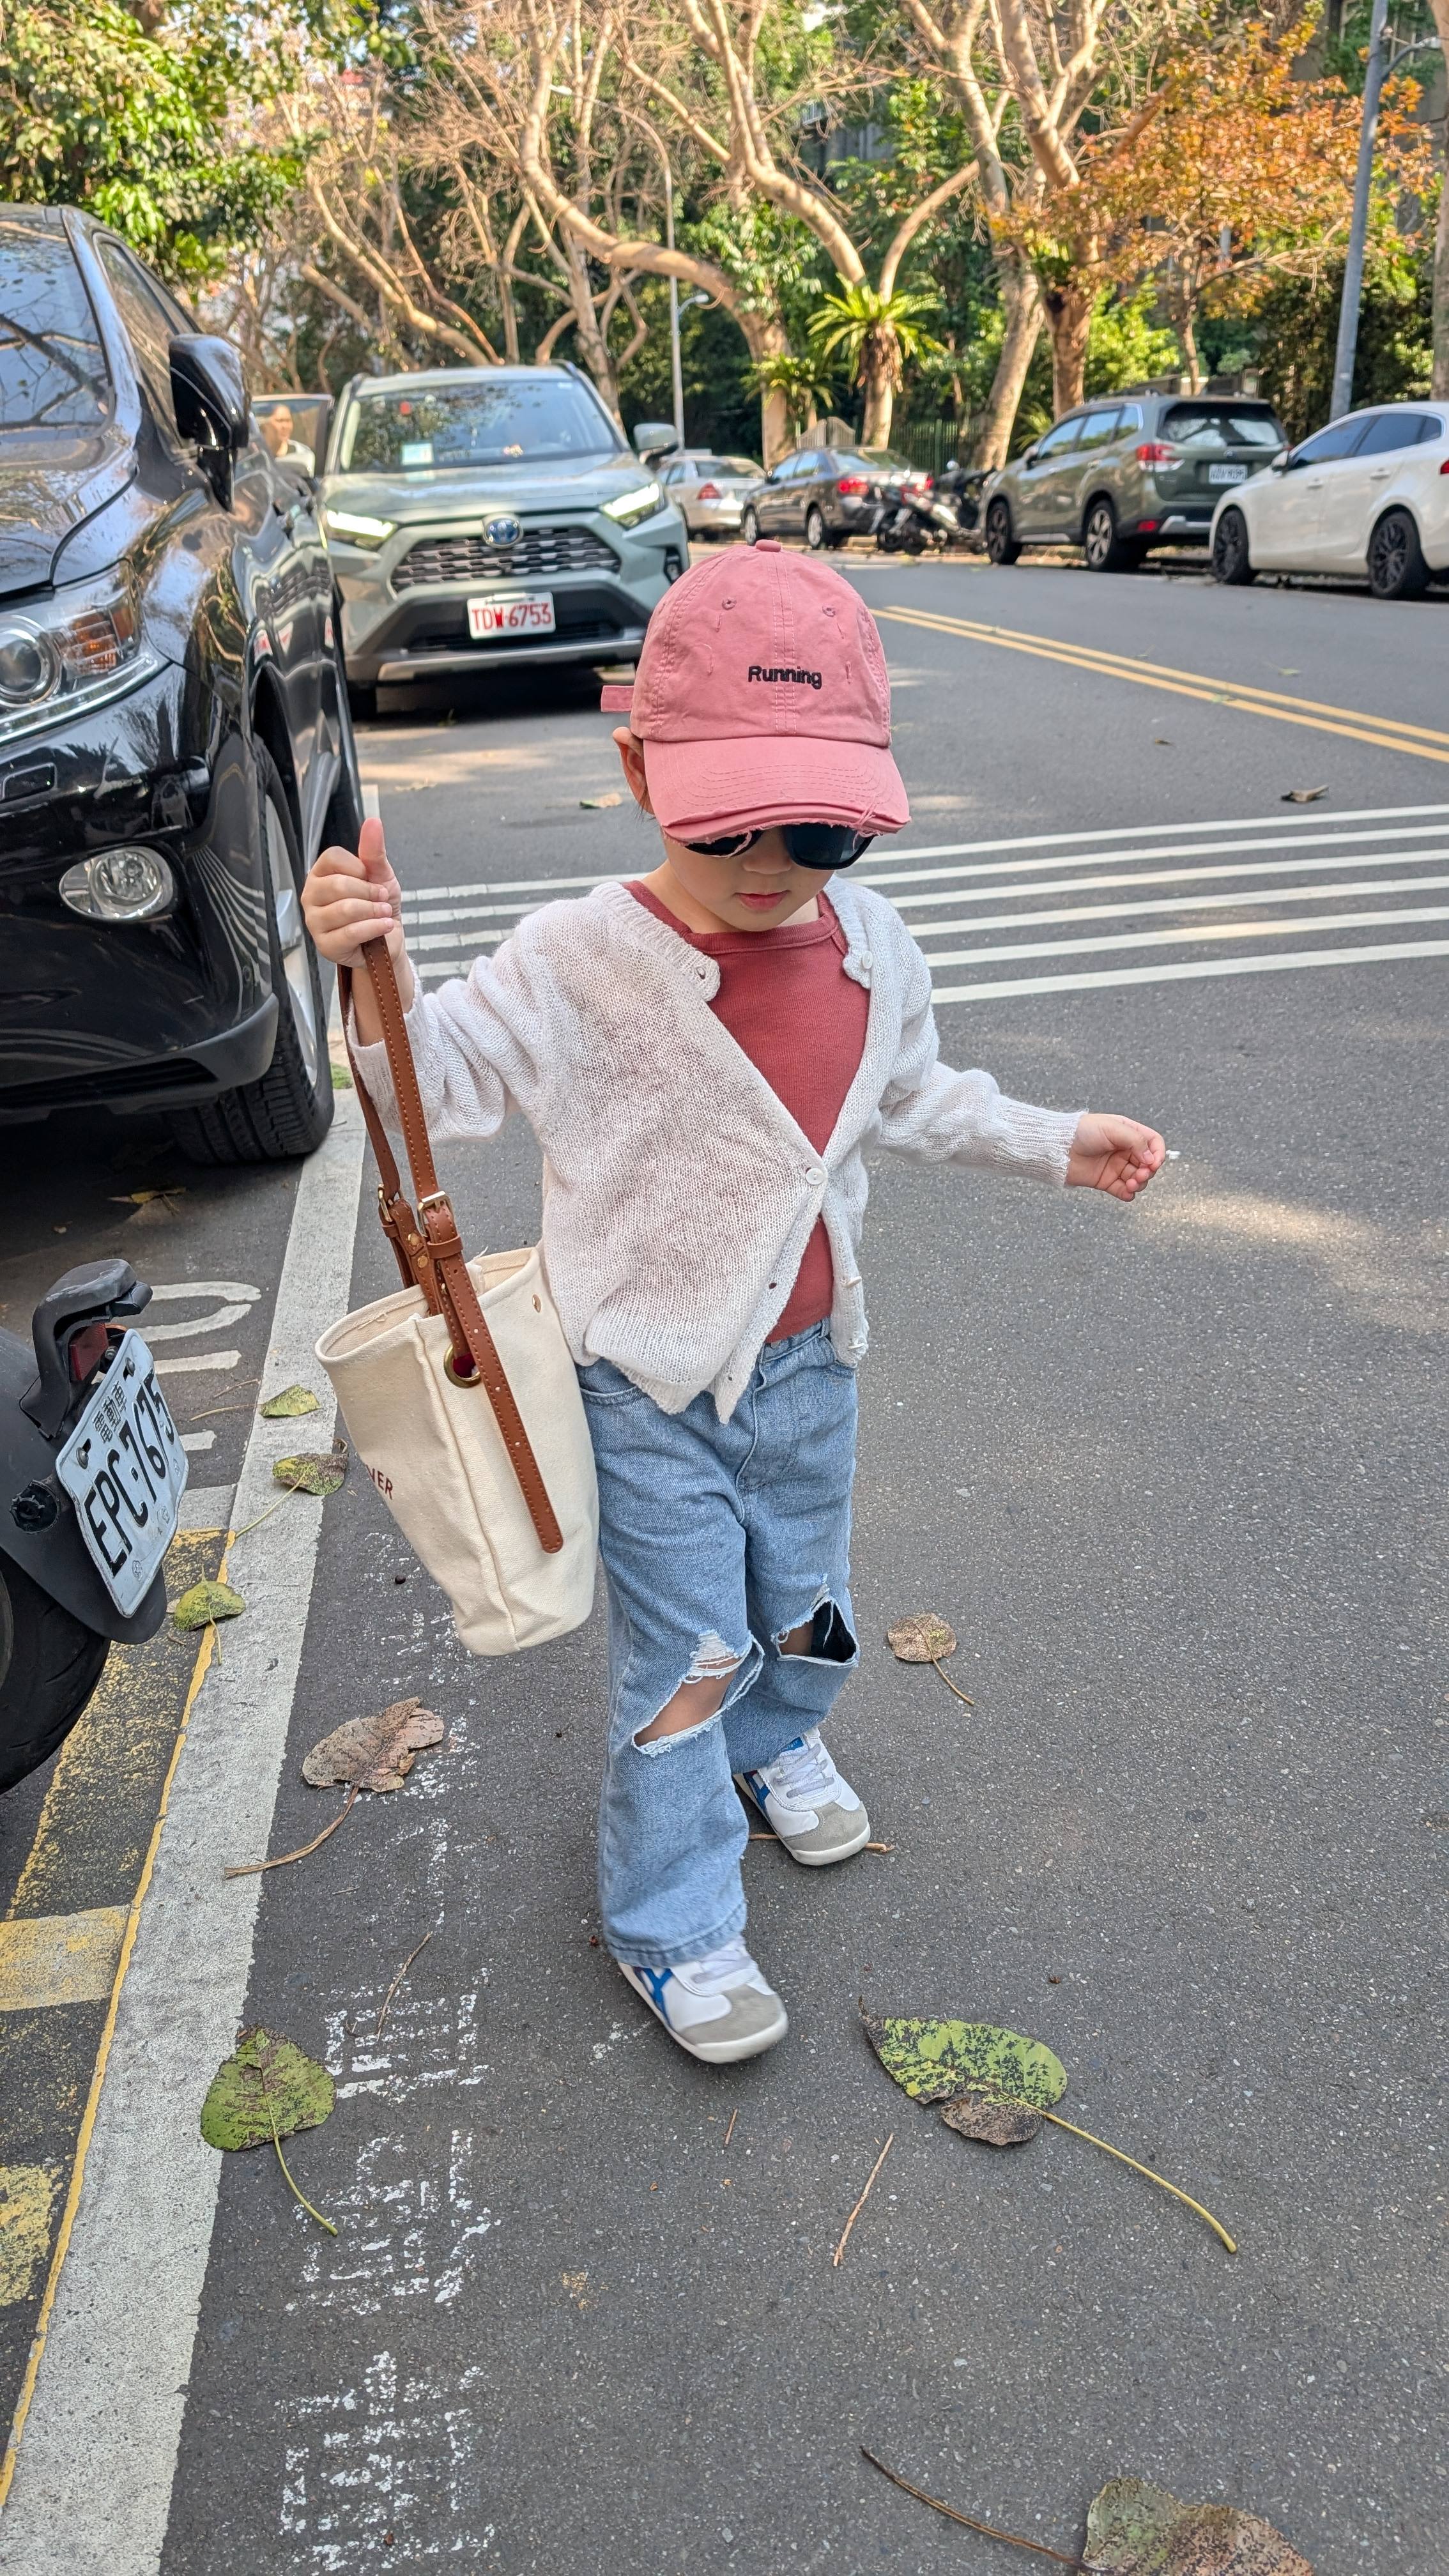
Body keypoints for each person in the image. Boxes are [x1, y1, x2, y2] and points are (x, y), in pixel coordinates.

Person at [300, 540, 1165, 2069]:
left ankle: (783, 1745)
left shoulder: (872, 948)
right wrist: (376, 974)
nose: (772, 865)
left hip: (815, 1368)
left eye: (823, 830)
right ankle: (674, 1922)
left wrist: (1056, 1142)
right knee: (690, 1656)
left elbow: (915, 1097)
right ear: (641, 771)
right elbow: (434, 1086)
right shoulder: (580, 959)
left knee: (810, 1612)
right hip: (646, 1390)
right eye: (728, 825)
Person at [258, 401, 315, 474]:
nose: (285, 426)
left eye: (288, 421)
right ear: (265, 424)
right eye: (280, 421)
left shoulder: (302, 454)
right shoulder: (255, 453)